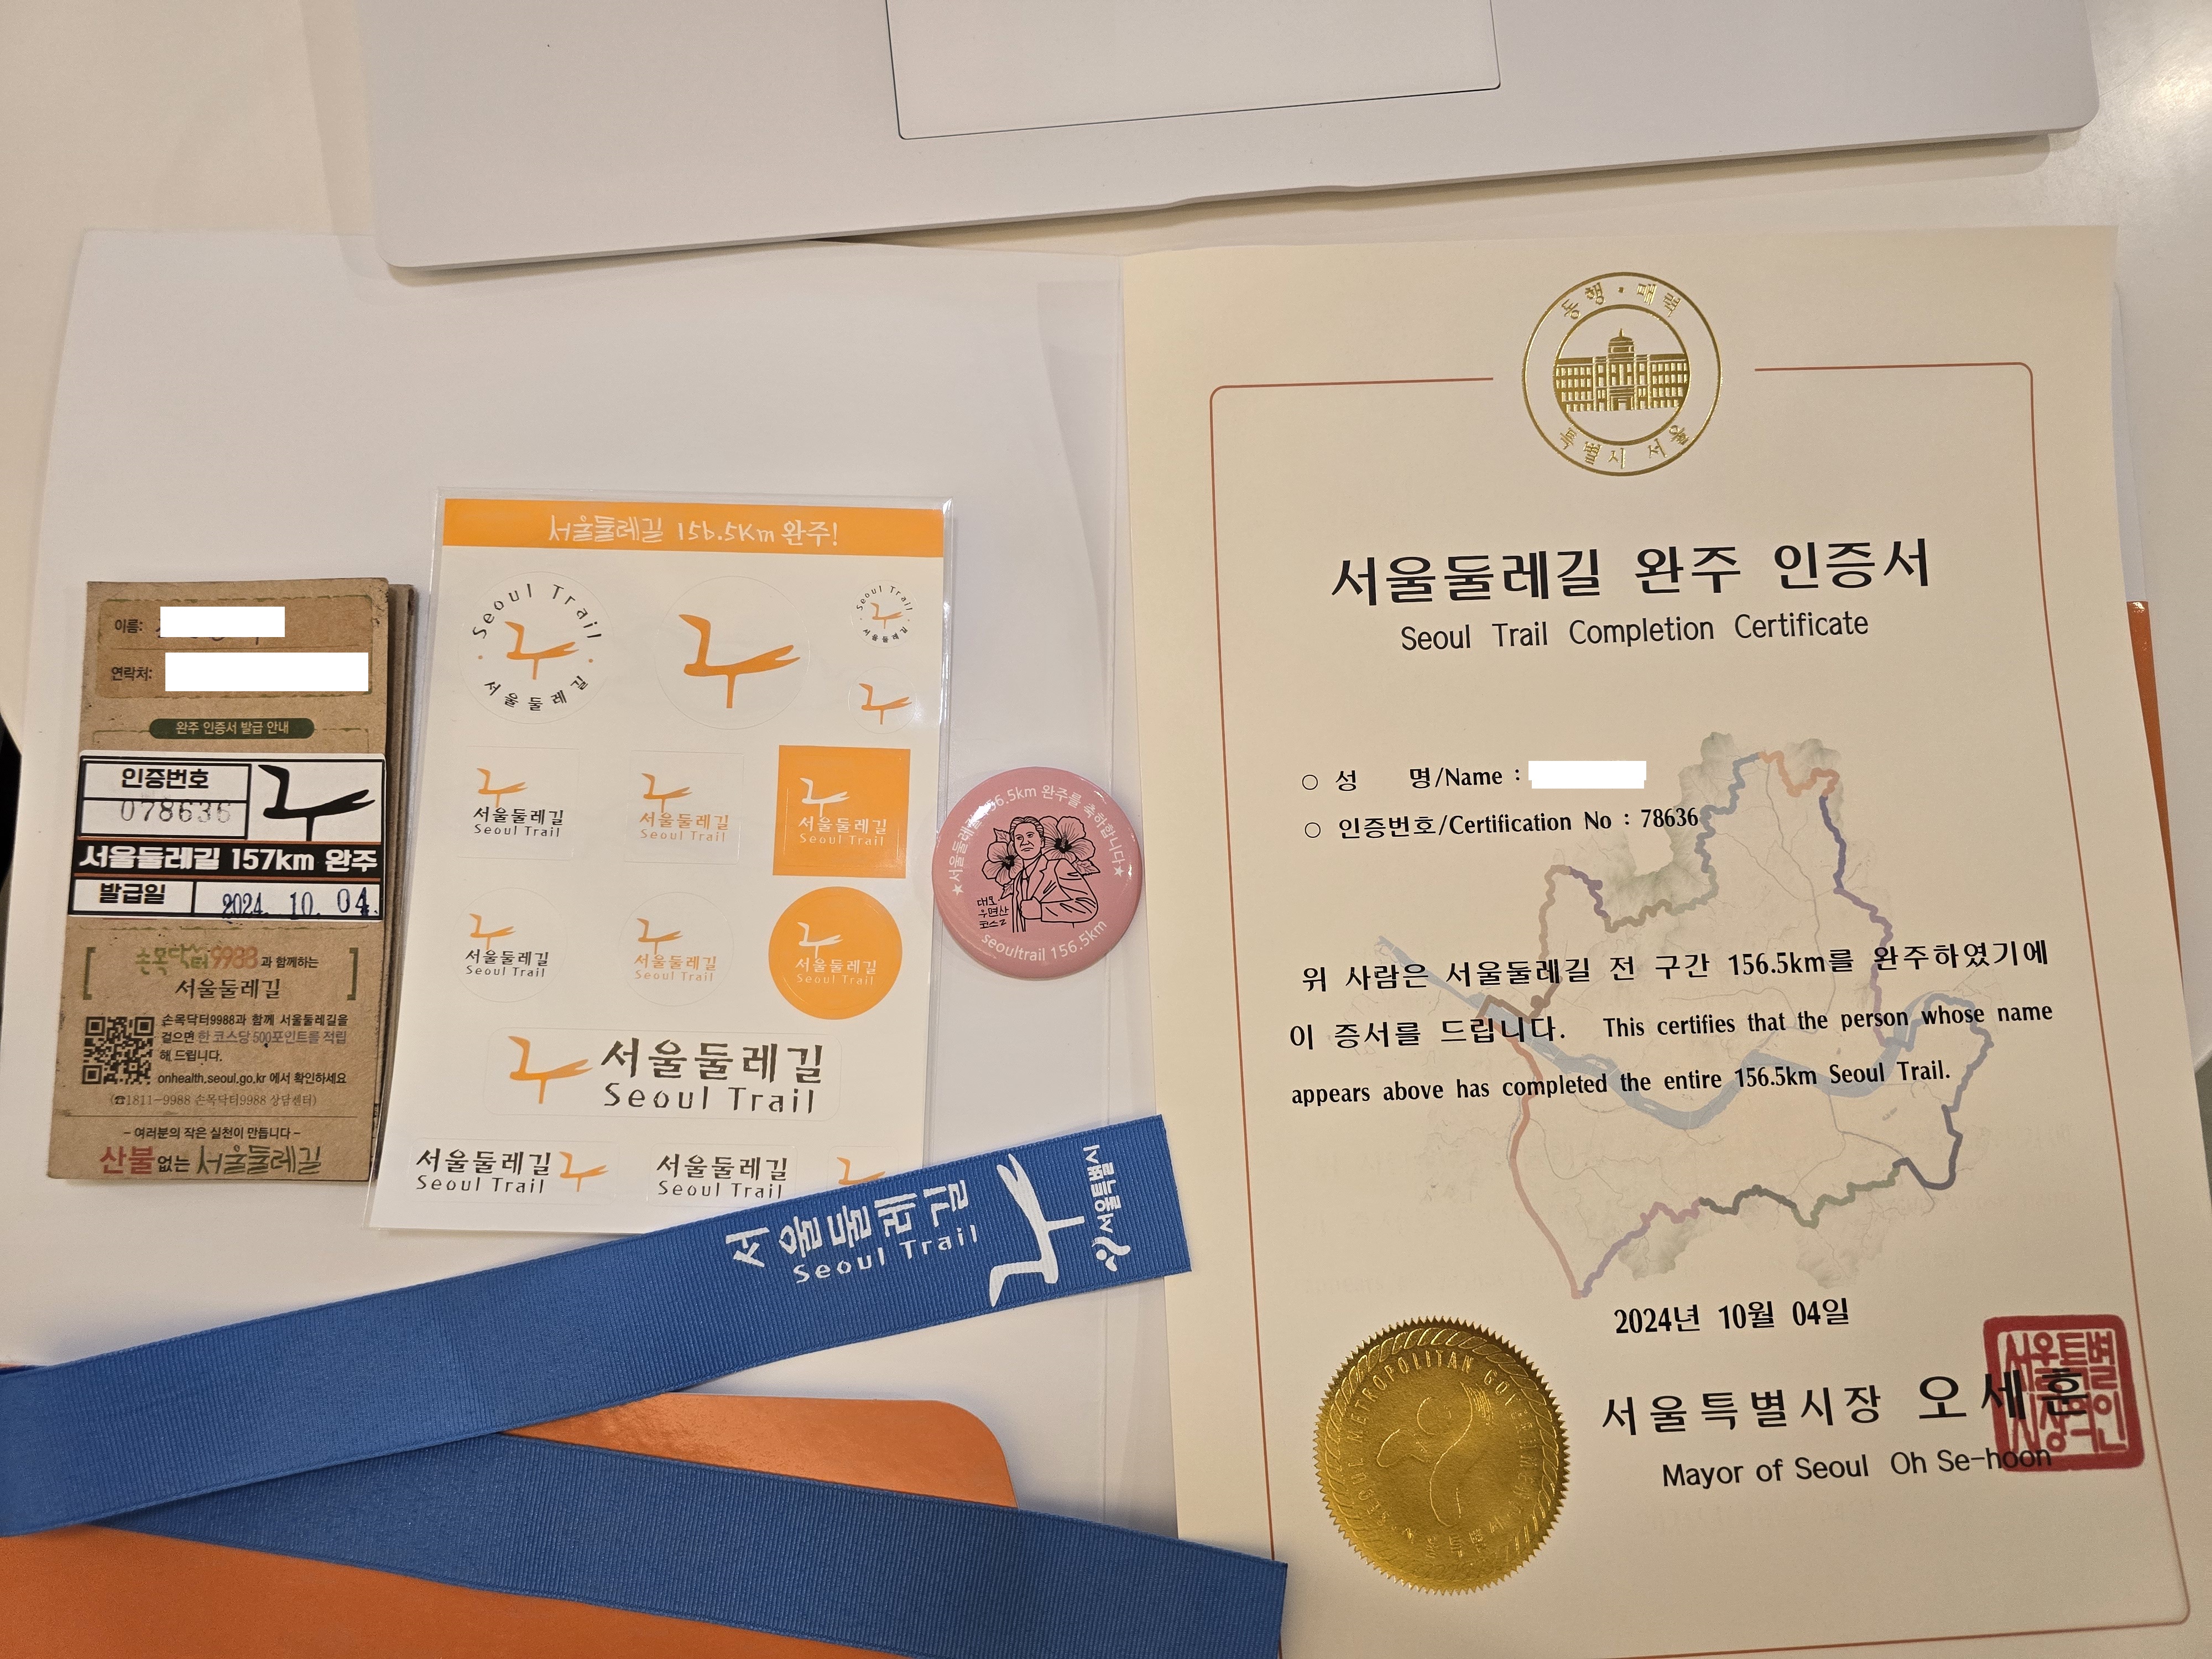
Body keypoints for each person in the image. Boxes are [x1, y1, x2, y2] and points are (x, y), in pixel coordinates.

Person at [1000, 815, 1098, 931]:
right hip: (1026, 942)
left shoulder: (1059, 867)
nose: (1025, 842)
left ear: (1042, 842)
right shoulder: (1018, 880)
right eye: (1019, 838)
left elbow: (1088, 905)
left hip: (1063, 940)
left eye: (1030, 836)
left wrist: (1042, 911)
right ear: (1014, 846)